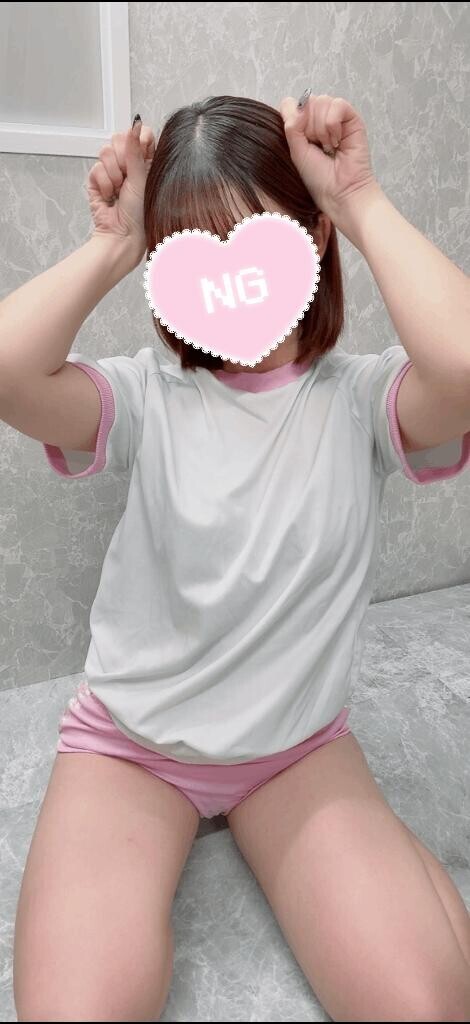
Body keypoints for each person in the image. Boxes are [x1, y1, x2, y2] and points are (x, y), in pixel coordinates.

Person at [3, 93, 470, 1022]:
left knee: (428, 1005)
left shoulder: (361, 402)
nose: (228, 280)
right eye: (190, 250)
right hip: (133, 746)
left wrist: (360, 201)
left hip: (295, 749)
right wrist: (113, 246)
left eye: (251, 243)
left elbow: (462, 370)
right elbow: (8, 372)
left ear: (312, 241)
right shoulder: (147, 398)